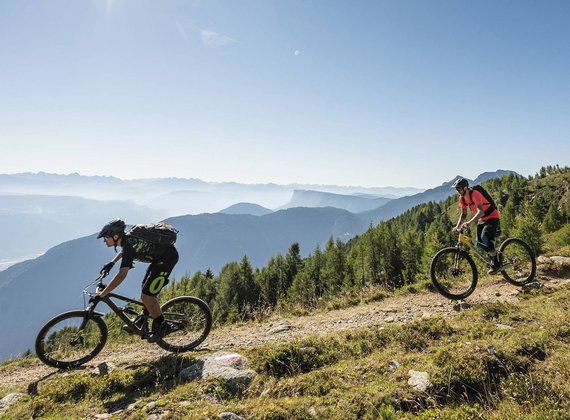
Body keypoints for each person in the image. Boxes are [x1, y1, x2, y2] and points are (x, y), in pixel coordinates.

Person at [96, 218, 179, 342]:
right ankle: (142, 319)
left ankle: (164, 326)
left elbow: (121, 275)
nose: (104, 240)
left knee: (147, 295)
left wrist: (103, 294)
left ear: (116, 236)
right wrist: (111, 263)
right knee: (144, 288)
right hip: (159, 261)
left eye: (106, 237)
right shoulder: (127, 240)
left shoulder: (128, 245)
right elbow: (125, 251)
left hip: (167, 260)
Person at [451, 178, 507, 274]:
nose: (458, 191)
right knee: (479, 244)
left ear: (465, 188)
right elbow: (463, 214)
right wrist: (457, 226)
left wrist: (470, 222)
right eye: (457, 189)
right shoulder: (462, 198)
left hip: (492, 215)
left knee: (484, 236)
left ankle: (496, 263)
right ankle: (495, 256)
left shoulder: (475, 194)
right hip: (483, 219)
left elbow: (481, 212)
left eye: (459, 189)